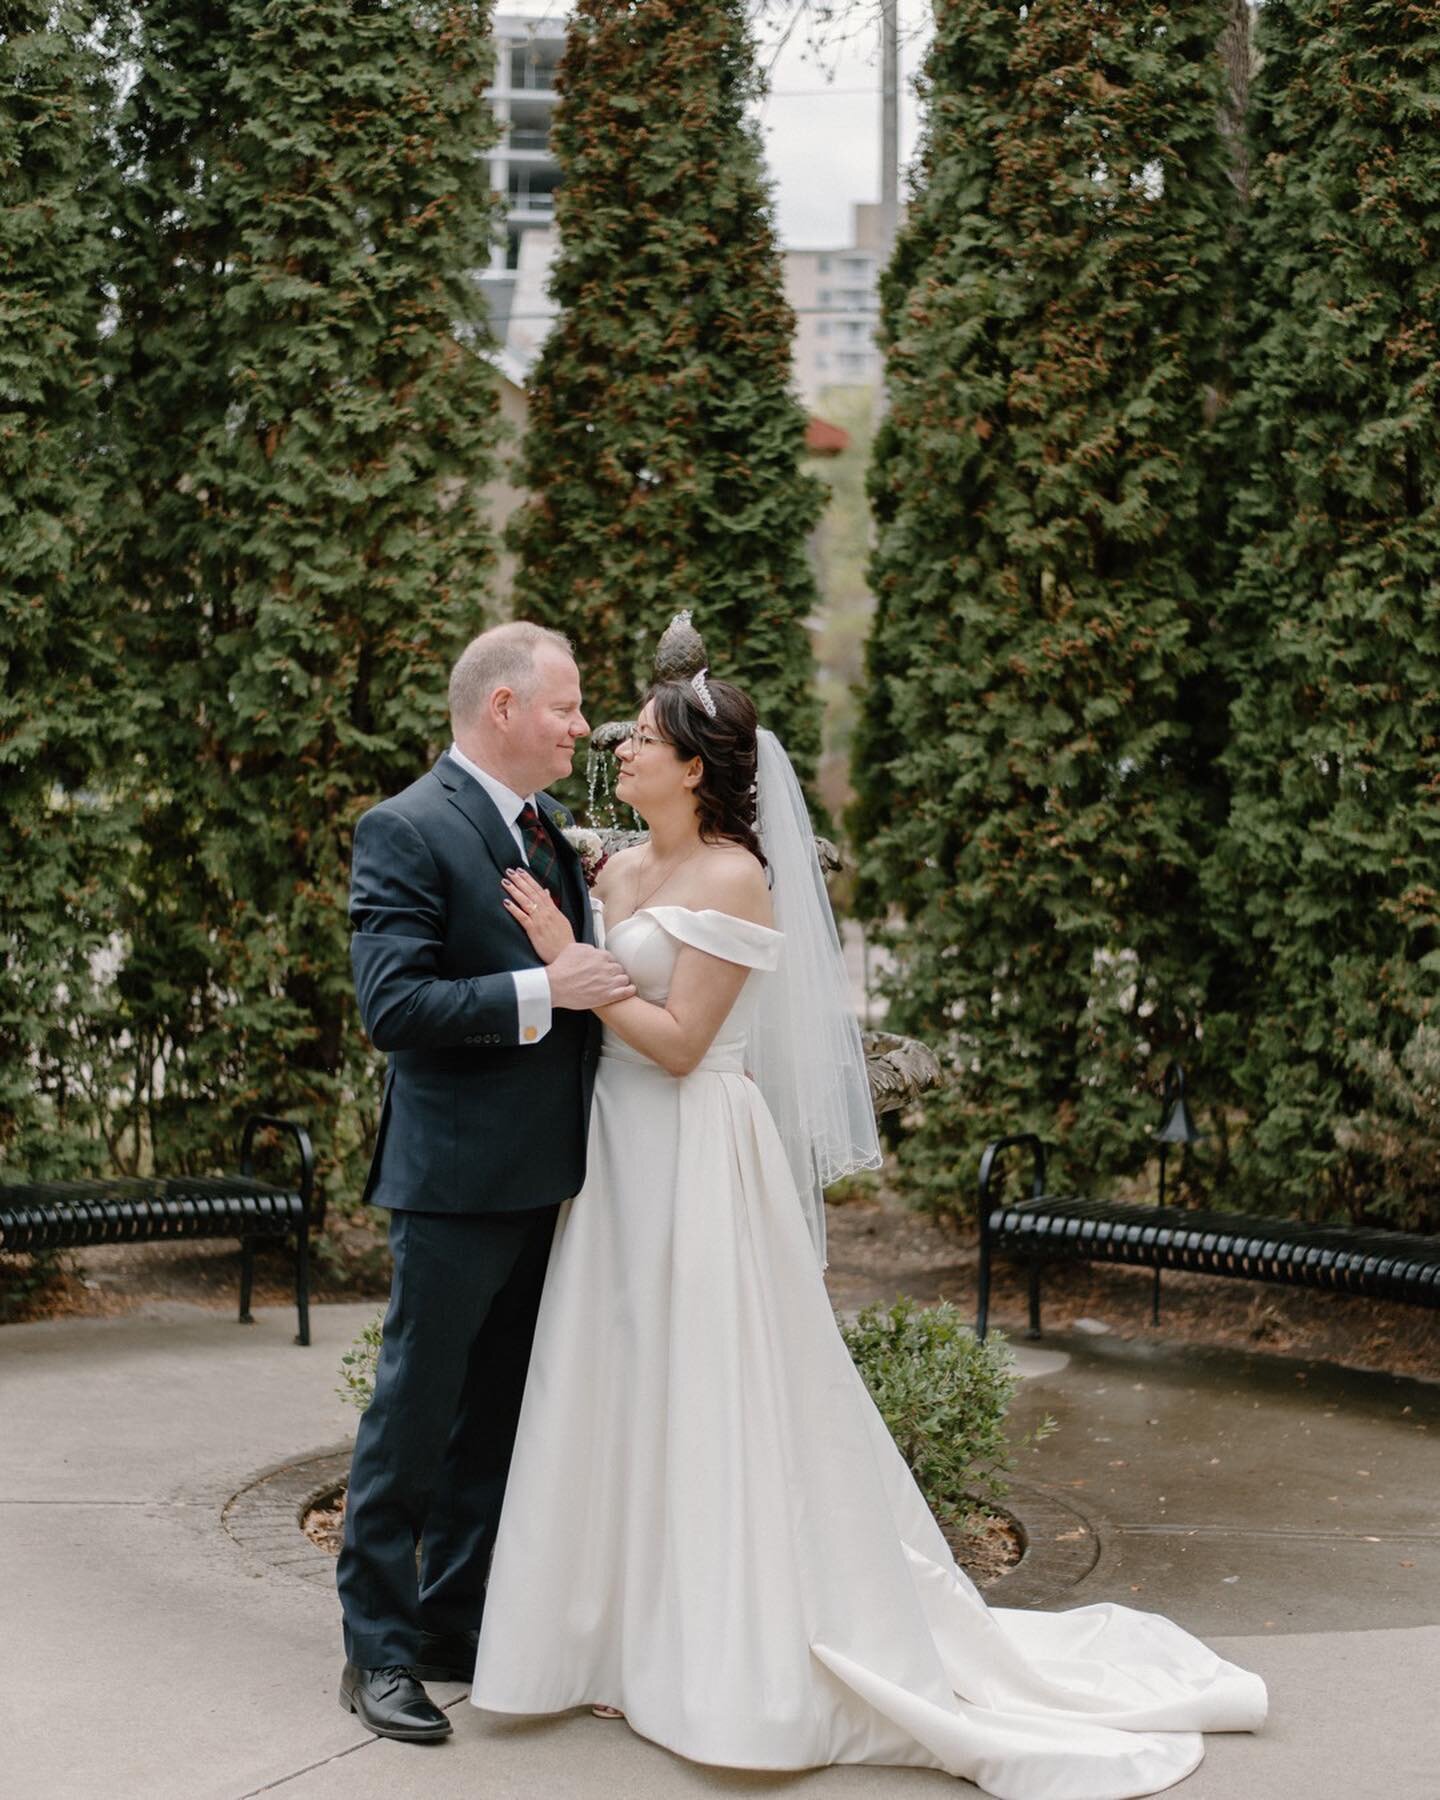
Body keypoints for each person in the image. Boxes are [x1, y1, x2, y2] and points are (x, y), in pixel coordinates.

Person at [470, 671, 1268, 1800]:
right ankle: (612, 1639)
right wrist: (579, 912)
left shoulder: (738, 875)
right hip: (615, 1158)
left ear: (697, 767)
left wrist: (569, 957)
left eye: (643, 740)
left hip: (694, 1146)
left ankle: (713, 1649)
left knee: (707, 1386)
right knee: (617, 1377)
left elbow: (685, 1042)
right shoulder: (621, 862)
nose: (622, 752)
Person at [336, 622, 636, 1742]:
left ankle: (453, 1621)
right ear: (503, 708)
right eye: (564, 706)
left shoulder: (551, 828)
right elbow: (393, 1007)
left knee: (496, 1419)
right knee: (414, 1416)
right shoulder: (406, 828)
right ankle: (375, 1653)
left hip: (551, 1176)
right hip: (455, 1180)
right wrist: (543, 990)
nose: (579, 726)